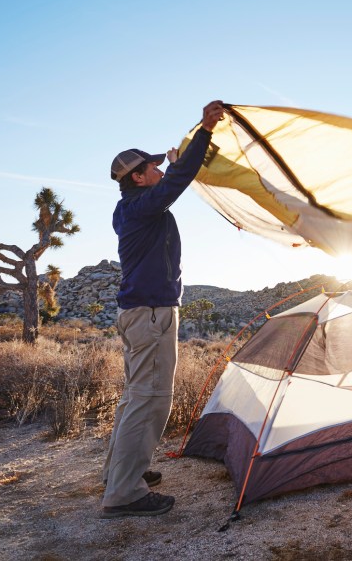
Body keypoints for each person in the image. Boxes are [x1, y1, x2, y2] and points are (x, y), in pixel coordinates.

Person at [100, 100, 225, 518]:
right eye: (151, 167)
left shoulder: (133, 208)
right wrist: (204, 132)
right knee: (151, 399)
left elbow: (169, 181)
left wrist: (172, 163)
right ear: (137, 177)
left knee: (135, 396)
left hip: (141, 314)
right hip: (151, 315)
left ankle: (119, 472)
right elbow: (176, 183)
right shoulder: (141, 207)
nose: (158, 169)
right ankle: (124, 494)